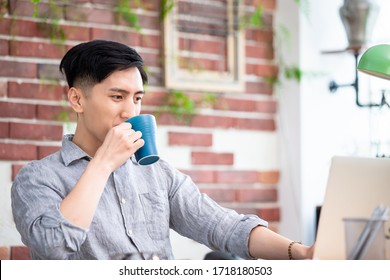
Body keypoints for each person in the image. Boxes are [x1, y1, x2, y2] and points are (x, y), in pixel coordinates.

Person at [11, 40, 314, 260]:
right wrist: (102, 164)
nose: (131, 111)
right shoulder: (38, 179)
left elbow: (223, 226)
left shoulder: (157, 173)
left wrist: (298, 251)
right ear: (77, 100)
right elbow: (52, 246)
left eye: (138, 98)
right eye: (118, 97)